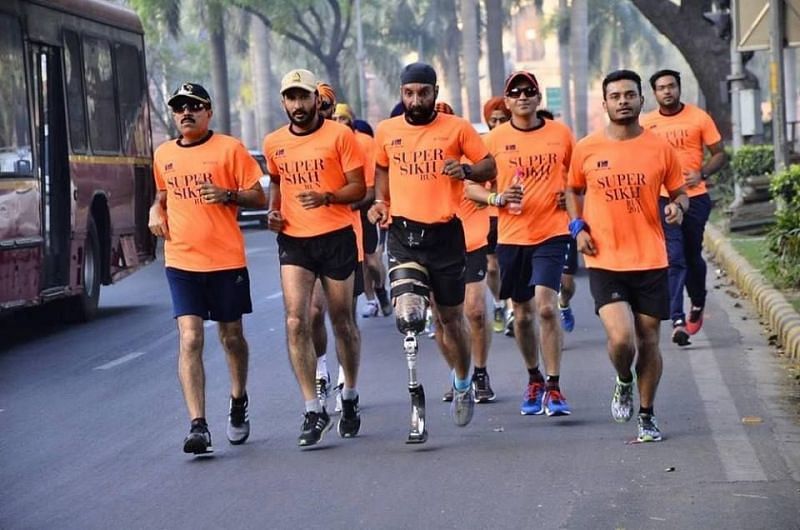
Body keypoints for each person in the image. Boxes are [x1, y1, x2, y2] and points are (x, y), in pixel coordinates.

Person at [367, 63, 496, 427]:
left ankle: (463, 380)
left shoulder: (457, 129)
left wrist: (467, 171)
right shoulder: (387, 130)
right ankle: (417, 396)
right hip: (404, 236)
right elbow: (381, 170)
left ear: (435, 93)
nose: (416, 99)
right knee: (409, 314)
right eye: (409, 93)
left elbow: (490, 166)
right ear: (401, 94)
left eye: (423, 92)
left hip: (445, 236)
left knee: (450, 320)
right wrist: (381, 203)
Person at [566, 69, 688, 442]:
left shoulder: (660, 148)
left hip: (651, 258)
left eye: (629, 95)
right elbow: (572, 191)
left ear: (641, 100)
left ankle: (647, 415)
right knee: (622, 340)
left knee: (649, 340)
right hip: (606, 259)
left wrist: (678, 208)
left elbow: (680, 191)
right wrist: (577, 228)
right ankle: (623, 379)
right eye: (615, 96)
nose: (623, 101)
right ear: (604, 104)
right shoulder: (586, 147)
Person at [149, 83, 267, 455]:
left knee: (231, 337)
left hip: (225, 260)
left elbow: (258, 195)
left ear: (208, 111)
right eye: (179, 107)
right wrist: (155, 210)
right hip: (182, 260)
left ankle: (238, 399)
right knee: (190, 337)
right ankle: (198, 425)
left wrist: (228, 194)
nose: (186, 112)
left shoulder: (229, 149)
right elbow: (162, 195)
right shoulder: (164, 153)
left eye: (194, 106)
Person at [263, 69, 366, 447]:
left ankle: (350, 395)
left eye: (302, 97)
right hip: (295, 240)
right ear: (284, 102)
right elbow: (276, 180)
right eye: (290, 98)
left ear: (314, 99)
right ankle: (312, 409)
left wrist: (327, 197)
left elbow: (359, 186)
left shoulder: (340, 135)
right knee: (296, 321)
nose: (297, 105)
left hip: (336, 236)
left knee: (342, 321)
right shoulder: (274, 142)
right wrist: (274, 212)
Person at [483, 71, 575, 417]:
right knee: (521, 316)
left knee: (546, 307)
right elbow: (471, 187)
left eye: (529, 91)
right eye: (515, 92)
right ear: (507, 102)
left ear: (538, 99)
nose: (523, 96)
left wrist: (572, 199)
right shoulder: (494, 139)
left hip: (552, 231)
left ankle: (554, 386)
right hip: (511, 236)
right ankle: (534, 377)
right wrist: (498, 197)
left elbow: (579, 177)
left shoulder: (561, 134)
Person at [641, 69, 728, 346]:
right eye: (661, 88)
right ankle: (677, 320)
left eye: (671, 86)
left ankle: (698, 302)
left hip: (696, 197)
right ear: (654, 94)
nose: (667, 91)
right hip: (664, 198)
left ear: (679, 89)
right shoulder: (646, 124)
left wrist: (702, 173)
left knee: (692, 256)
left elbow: (720, 154)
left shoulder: (698, 117)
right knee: (674, 257)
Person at [432, 102, 496, 404]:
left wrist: (481, 189)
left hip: (471, 240)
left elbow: (485, 180)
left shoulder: (469, 153)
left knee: (475, 311)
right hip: (435, 243)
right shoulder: (414, 158)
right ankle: (460, 374)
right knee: (442, 319)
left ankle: (480, 372)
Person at [333, 103, 392, 319]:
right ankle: (370, 301)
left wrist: (358, 203)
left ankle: (380, 289)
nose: (339, 123)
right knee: (357, 261)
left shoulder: (365, 143)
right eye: (335, 119)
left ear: (351, 120)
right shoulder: (331, 141)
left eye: (343, 118)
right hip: (341, 211)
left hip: (363, 206)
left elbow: (370, 183)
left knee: (371, 261)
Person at [536, 108, 579, 334]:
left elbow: (582, 184)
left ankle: (564, 302)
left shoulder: (567, 154)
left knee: (567, 284)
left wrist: (570, 198)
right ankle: (551, 325)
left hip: (565, 225)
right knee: (545, 294)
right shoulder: (531, 158)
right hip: (540, 231)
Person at [481, 97, 512, 334]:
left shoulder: (518, 141)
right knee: (492, 268)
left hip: (514, 214)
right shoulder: (482, 146)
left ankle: (512, 309)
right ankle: (499, 303)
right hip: (489, 213)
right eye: (494, 120)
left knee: (510, 264)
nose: (499, 123)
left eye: (503, 119)